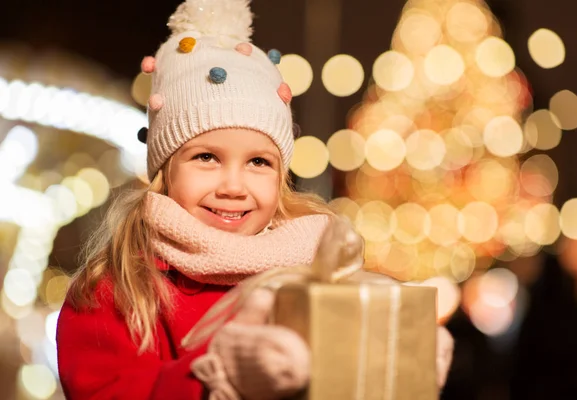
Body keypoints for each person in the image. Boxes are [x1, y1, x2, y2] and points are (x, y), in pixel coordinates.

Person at [56, 0, 454, 398]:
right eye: (206, 157)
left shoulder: (320, 272)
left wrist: (399, 360)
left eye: (258, 162)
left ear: (281, 177)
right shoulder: (116, 291)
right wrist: (219, 378)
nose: (233, 186)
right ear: (164, 170)